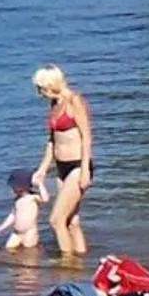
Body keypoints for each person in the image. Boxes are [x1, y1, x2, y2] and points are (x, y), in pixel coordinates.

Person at [29, 66, 94, 256]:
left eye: (41, 88)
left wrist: (85, 171)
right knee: (71, 221)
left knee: (56, 220)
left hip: (77, 165)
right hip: (61, 168)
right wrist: (42, 169)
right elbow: (52, 140)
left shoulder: (75, 101)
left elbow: (87, 136)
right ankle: (80, 262)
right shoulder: (55, 104)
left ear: (50, 85)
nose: (39, 93)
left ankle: (67, 264)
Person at [0, 169, 45, 250]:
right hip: (16, 233)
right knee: (8, 249)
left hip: (30, 232)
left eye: (13, 187)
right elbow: (12, 215)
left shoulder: (33, 197)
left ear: (21, 186)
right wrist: (1, 227)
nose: (12, 189)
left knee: (29, 253)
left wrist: (40, 185)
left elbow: (45, 199)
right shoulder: (17, 199)